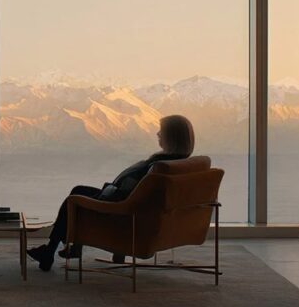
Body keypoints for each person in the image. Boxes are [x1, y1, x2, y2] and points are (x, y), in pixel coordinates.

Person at [26, 114, 196, 272]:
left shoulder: (160, 165)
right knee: (79, 190)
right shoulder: (180, 162)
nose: (157, 134)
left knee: (74, 199)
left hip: (122, 207)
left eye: (162, 132)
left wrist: (112, 191)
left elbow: (134, 187)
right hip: (131, 204)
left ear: (172, 137)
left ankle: (52, 251)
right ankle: (66, 247)